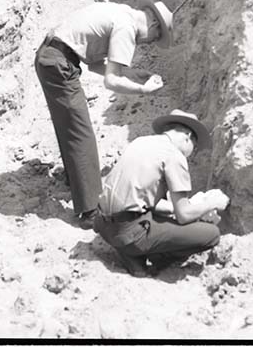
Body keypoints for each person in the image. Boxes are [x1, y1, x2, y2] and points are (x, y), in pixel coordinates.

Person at [35, 0, 173, 224]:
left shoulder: (121, 13)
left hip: (51, 56)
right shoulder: (127, 27)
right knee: (81, 133)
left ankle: (75, 181)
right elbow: (111, 81)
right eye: (154, 38)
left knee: (69, 125)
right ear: (154, 25)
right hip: (59, 62)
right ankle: (90, 211)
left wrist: (132, 74)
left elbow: (94, 63)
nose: (148, 43)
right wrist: (143, 90)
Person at [93, 109, 230, 276]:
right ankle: (148, 255)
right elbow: (184, 215)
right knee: (211, 234)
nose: (191, 154)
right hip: (128, 232)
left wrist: (173, 208)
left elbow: (143, 197)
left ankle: (129, 251)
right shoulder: (174, 155)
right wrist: (211, 203)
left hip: (102, 224)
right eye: (194, 147)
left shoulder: (141, 141)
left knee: (162, 217)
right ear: (187, 136)